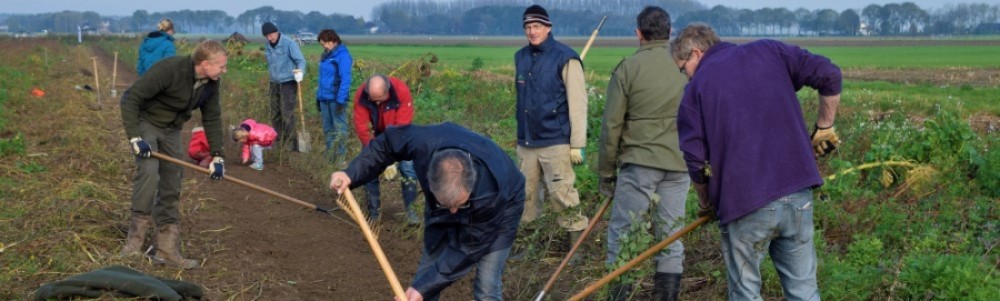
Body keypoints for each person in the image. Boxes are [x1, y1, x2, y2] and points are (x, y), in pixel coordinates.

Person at [670, 23, 841, 300]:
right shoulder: (770, 50)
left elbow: (696, 162)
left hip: (744, 203)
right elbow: (830, 74)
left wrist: (706, 205)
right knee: (804, 291)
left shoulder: (696, 90)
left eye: (682, 68)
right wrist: (825, 126)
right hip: (798, 194)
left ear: (696, 54)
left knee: (745, 293)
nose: (685, 76)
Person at [328, 122, 525, 301]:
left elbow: (467, 249)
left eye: (459, 204)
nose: (454, 211)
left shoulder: (490, 194)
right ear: (430, 181)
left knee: (486, 285)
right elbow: (386, 144)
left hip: (505, 206)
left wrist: (422, 288)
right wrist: (350, 173)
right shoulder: (423, 143)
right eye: (448, 205)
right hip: (441, 209)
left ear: (470, 185)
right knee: (426, 275)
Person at [597, 7, 690, 301]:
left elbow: (611, 127)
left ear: (639, 34)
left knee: (623, 234)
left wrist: (607, 175)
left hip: (639, 165)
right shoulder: (685, 65)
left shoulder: (628, 68)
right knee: (671, 236)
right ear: (670, 31)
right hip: (679, 165)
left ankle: (619, 297)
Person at [120, 39, 229, 269]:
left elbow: (212, 117)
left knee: (173, 181)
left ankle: (166, 250)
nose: (224, 70)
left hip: (171, 130)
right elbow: (131, 98)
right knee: (149, 174)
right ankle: (133, 244)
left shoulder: (211, 82)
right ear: (205, 64)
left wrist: (218, 156)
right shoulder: (169, 69)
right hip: (146, 123)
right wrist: (135, 138)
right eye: (221, 65)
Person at [513, 4, 589, 253]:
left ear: (548, 28)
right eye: (527, 27)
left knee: (562, 194)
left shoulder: (566, 57)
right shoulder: (521, 57)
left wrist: (577, 144)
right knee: (526, 196)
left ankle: (575, 250)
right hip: (526, 142)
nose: (532, 31)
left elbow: (578, 103)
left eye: (536, 26)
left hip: (555, 140)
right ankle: (529, 246)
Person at [353, 74, 419, 224]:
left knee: (408, 168)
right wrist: (378, 154)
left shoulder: (401, 90)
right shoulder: (362, 94)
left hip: (399, 133)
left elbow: (401, 127)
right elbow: (363, 128)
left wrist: (392, 157)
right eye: (373, 99)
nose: (376, 103)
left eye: (379, 99)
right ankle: (374, 214)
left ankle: (411, 212)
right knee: (369, 168)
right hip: (375, 134)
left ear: (387, 91)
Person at [261, 21, 307, 152]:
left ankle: (293, 144)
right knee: (275, 112)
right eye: (267, 36)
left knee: (286, 113)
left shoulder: (288, 43)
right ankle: (278, 141)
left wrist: (300, 72)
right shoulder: (268, 46)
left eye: (271, 35)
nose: (270, 38)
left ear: (276, 31)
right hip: (274, 82)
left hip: (288, 82)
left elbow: (301, 60)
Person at [315, 29, 353, 166]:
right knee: (327, 129)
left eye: (324, 43)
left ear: (332, 41)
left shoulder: (343, 56)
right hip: (324, 98)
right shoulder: (326, 56)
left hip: (336, 99)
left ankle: (341, 159)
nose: (324, 46)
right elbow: (322, 78)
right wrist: (318, 97)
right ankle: (330, 158)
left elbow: (346, 79)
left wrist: (341, 101)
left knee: (340, 129)